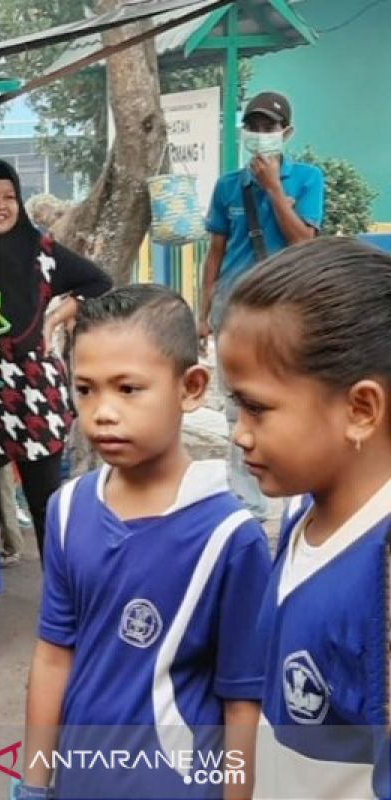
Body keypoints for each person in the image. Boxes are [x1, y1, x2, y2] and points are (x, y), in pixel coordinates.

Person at [21, 285, 270, 800]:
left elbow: (243, 702)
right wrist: (34, 782)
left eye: (128, 389)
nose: (103, 412)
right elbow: (53, 656)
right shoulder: (67, 512)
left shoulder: (229, 537)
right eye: (85, 389)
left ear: (192, 387)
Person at [217, 238, 391, 800]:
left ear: (360, 409)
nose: (240, 432)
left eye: (258, 408)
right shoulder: (302, 515)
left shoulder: (381, 573)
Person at [0, 159, 112, 586]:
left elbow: (100, 282)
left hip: (34, 395)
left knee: (47, 501)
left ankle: (61, 589)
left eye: (9, 197)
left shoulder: (41, 250)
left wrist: (57, 316)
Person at [198, 91, 325, 520]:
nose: (260, 133)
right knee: (239, 407)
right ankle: (246, 506)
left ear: (286, 132)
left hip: (286, 307)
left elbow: (303, 240)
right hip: (234, 307)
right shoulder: (228, 186)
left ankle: (298, 494)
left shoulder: (307, 179)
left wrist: (273, 188)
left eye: (269, 126)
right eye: (253, 125)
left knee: (292, 395)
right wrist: (204, 312)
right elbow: (215, 252)